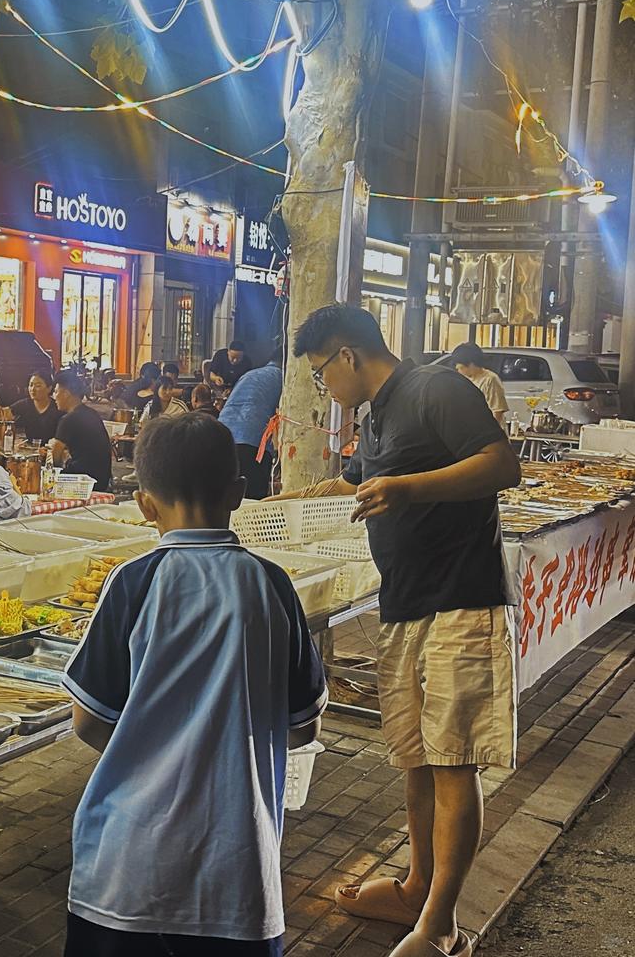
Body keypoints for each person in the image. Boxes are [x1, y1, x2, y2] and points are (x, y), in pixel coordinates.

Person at [282, 304, 521, 957]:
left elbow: (502, 465)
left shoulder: (437, 387)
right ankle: (417, 887)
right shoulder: (377, 411)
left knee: (451, 760)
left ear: (347, 356)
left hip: (460, 602)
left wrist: (410, 489)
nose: (321, 386)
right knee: (414, 757)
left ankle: (441, 925)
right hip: (405, 602)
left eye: (319, 372)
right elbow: (376, 477)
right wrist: (334, 486)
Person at [62, 413, 327, 956]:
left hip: (126, 871)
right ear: (238, 493)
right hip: (236, 873)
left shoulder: (133, 582)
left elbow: (89, 721)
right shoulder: (272, 586)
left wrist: (153, 748)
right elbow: (303, 727)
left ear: (144, 504)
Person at [218, 355, 284, 500]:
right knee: (252, 499)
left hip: (222, 437)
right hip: (252, 442)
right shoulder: (284, 377)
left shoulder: (249, 374)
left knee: (225, 496)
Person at [49, 369, 112, 494]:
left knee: (44, 477)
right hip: (102, 478)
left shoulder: (68, 419)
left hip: (83, 480)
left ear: (66, 393)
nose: (54, 396)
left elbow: (56, 451)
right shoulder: (92, 413)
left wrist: (56, 471)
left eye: (56, 392)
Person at [0, 372, 61, 445]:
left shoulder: (58, 407)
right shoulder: (25, 404)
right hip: (32, 449)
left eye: (38, 386)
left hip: (52, 449)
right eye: (31, 385)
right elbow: (2, 415)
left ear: (49, 388)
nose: (32, 389)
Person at [451, 342, 509, 428]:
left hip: (488, 434)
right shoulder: (465, 380)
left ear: (471, 364)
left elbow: (497, 412)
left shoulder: (490, 380)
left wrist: (488, 433)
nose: (457, 369)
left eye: (460, 367)